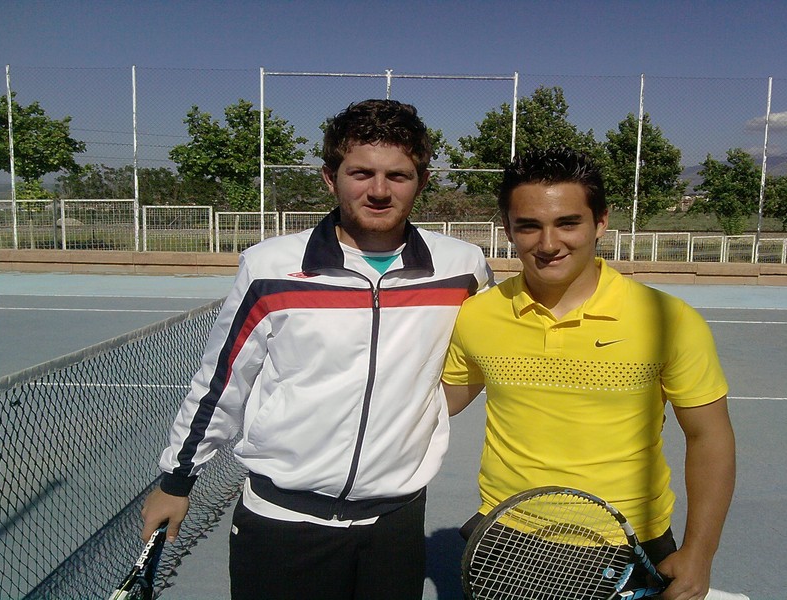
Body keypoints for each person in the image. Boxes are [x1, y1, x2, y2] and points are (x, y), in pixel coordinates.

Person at [141, 98, 493, 600]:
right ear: (330, 178)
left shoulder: (462, 267)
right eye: (361, 173)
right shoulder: (270, 267)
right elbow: (222, 381)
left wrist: (430, 406)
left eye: (398, 175)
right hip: (281, 523)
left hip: (394, 525)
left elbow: (493, 347)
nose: (378, 190)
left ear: (422, 181)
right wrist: (176, 480)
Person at [442, 147, 736, 600]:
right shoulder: (477, 316)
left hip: (630, 541)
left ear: (600, 222)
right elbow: (440, 402)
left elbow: (709, 437)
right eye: (529, 226)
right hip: (508, 538)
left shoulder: (668, 319)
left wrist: (701, 551)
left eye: (567, 223)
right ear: (508, 229)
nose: (548, 243)